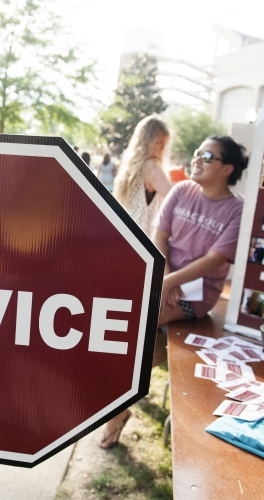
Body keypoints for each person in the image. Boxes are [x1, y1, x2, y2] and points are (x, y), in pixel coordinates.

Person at [100, 135, 247, 449]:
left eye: (207, 156)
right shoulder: (181, 191)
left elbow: (214, 260)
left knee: (134, 329)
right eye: (197, 152)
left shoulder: (236, 210)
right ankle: (117, 401)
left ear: (227, 169)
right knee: (117, 322)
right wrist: (166, 278)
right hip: (163, 277)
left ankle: (117, 408)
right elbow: (160, 237)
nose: (197, 159)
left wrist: (170, 284)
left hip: (195, 293)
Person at [113, 116, 172, 236]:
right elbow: (174, 196)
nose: (161, 148)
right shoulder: (151, 167)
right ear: (148, 141)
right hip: (142, 237)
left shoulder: (130, 165)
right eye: (158, 142)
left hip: (124, 231)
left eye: (163, 144)